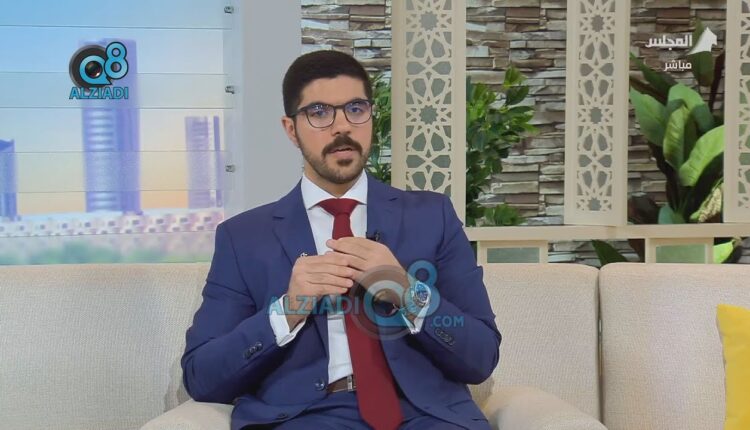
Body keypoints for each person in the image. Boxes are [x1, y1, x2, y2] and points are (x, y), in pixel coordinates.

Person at [181, 50, 502, 430]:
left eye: (355, 109)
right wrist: (288, 309)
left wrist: (407, 291)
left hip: (426, 416)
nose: (342, 127)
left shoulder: (432, 217)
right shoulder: (244, 237)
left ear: (371, 118)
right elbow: (202, 376)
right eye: (319, 113)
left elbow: (481, 358)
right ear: (291, 129)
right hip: (307, 418)